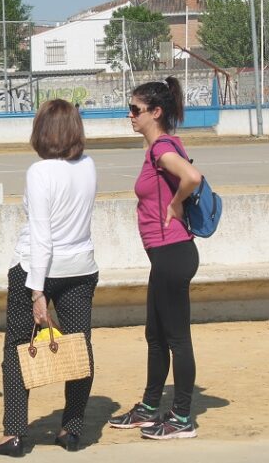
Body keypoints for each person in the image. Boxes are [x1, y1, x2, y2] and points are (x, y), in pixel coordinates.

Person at [0, 100, 99, 456]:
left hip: (36, 269)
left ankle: (15, 432)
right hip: (80, 267)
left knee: (19, 349)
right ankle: (72, 428)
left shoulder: (40, 172)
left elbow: (41, 235)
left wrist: (37, 292)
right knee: (80, 348)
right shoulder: (88, 165)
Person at [108, 76, 202, 440]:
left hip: (173, 253)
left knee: (177, 338)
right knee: (156, 335)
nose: (130, 116)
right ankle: (149, 408)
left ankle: (181, 418)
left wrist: (175, 203)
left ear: (156, 112)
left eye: (135, 110)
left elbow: (192, 176)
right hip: (164, 256)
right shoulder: (159, 148)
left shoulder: (162, 148)